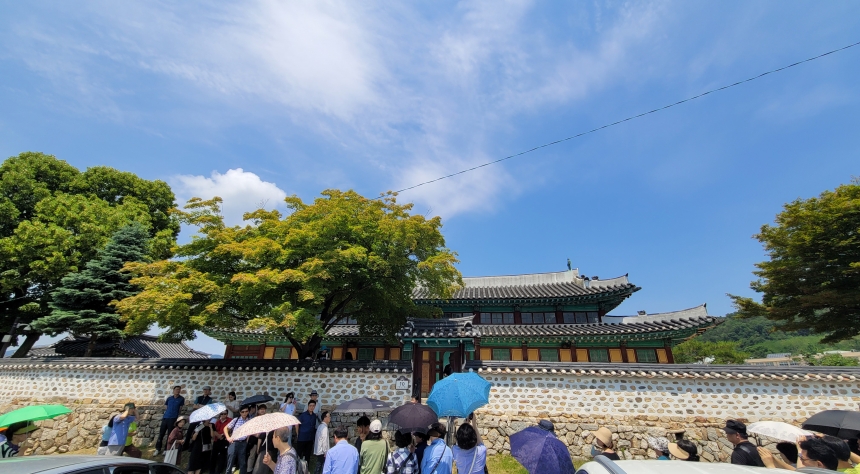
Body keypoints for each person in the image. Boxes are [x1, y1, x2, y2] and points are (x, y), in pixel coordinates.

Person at [156, 385, 186, 456]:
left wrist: (176, 416)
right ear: (173, 390)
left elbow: (180, 408)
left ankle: (166, 449)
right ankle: (158, 449)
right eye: (176, 389)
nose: (177, 391)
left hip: (173, 418)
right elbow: (166, 407)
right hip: (166, 417)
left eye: (179, 389)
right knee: (161, 433)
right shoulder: (169, 398)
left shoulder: (181, 399)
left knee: (170, 435)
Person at [225, 405, 252, 474]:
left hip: (243, 442)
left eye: (246, 411)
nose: (244, 413)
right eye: (243, 412)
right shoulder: (236, 419)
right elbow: (226, 428)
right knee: (230, 461)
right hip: (234, 442)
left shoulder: (249, 421)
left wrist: (247, 440)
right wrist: (228, 437)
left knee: (242, 462)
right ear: (240, 412)